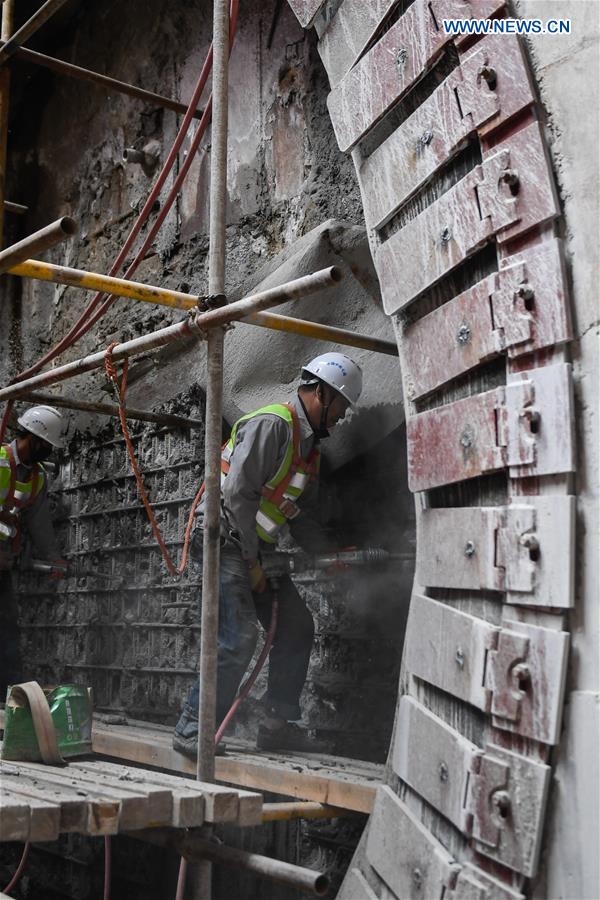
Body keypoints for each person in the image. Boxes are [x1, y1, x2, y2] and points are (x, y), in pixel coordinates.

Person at [173, 352, 363, 757]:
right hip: (225, 541)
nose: (343, 416)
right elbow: (237, 496)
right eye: (343, 405)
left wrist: (331, 554)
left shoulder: (308, 449)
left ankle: (276, 726)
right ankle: (193, 727)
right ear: (322, 393)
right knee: (238, 637)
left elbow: (295, 512)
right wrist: (254, 564)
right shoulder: (273, 425)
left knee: (296, 626)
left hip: (255, 548)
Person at [0, 405, 67, 699]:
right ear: (35, 438)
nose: (49, 452)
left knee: (7, 627)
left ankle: (8, 698)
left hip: (3, 564)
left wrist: (55, 559)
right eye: (48, 445)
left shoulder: (38, 477)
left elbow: (39, 523)